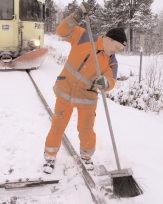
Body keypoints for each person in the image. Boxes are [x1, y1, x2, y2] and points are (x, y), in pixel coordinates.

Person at [43, 2, 127, 174]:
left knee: (86, 130)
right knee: (57, 126)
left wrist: (105, 83)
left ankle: (87, 157)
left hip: (87, 98)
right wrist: (76, 17)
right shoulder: (84, 36)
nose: (117, 51)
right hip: (65, 92)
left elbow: (111, 80)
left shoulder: (111, 61)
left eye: (120, 49)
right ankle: (49, 157)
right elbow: (61, 31)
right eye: (117, 47)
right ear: (109, 40)